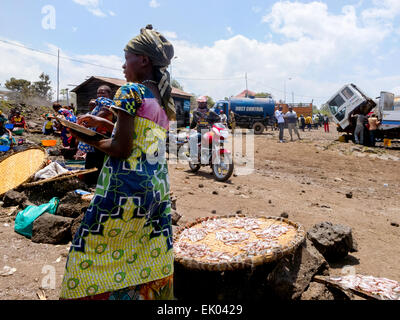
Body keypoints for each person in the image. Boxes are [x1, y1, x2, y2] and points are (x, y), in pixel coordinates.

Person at [60, 25, 175, 301]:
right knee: (144, 251)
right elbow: (140, 134)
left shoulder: (130, 91)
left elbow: (121, 149)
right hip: (155, 192)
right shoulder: (162, 101)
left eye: (127, 58)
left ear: (143, 60)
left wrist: (81, 134)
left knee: (89, 251)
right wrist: (103, 123)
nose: (123, 65)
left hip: (123, 192)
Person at [77, 95, 116, 185]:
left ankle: (95, 184)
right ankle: (90, 184)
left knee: (100, 165)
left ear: (109, 94)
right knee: (91, 164)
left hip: (104, 141)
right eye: (98, 92)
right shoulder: (95, 111)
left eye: (103, 92)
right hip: (95, 144)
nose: (100, 94)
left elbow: (100, 119)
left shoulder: (108, 108)